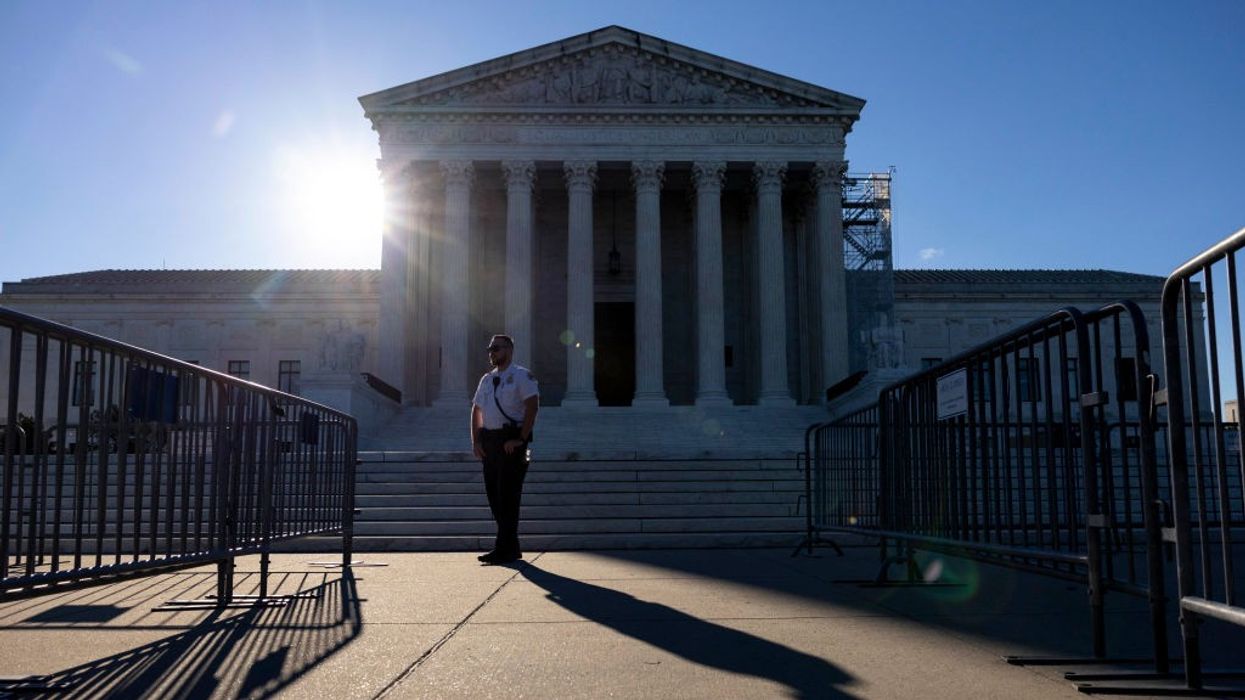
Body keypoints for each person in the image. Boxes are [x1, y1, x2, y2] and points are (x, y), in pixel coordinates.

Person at [470, 334, 539, 564]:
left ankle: (503, 549)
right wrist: (476, 441)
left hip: (511, 441)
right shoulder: (487, 380)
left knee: (508, 495)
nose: (491, 353)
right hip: (490, 442)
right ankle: (512, 546)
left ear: (509, 350)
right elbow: (477, 410)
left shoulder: (521, 375)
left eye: (496, 348)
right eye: (490, 349)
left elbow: (532, 405)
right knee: (494, 495)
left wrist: (521, 438)